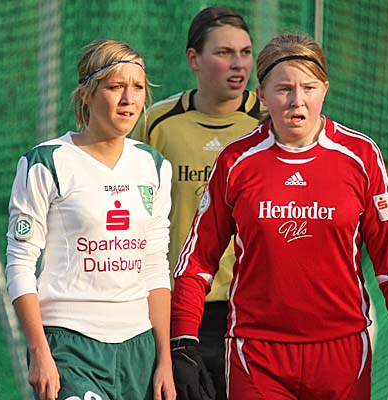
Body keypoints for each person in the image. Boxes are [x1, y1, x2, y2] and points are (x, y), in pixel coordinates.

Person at [170, 33, 388, 400]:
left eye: (308, 87)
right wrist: (184, 340)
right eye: (284, 89)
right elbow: (197, 261)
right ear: (261, 95)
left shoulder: (361, 156)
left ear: (324, 90)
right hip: (257, 355)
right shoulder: (236, 161)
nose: (297, 100)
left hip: (342, 356)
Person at [5, 39, 176, 400]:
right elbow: (20, 264)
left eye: (138, 87)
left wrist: (165, 360)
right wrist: (39, 351)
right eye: (115, 86)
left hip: (139, 349)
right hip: (70, 345)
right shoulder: (47, 162)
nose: (128, 99)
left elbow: (155, 267)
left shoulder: (154, 166)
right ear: (86, 94)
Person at [132, 7, 261, 400]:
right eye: (224, 52)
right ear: (194, 59)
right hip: (180, 308)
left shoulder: (269, 122)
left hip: (252, 309)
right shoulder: (157, 123)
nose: (238, 64)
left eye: (245, 52)